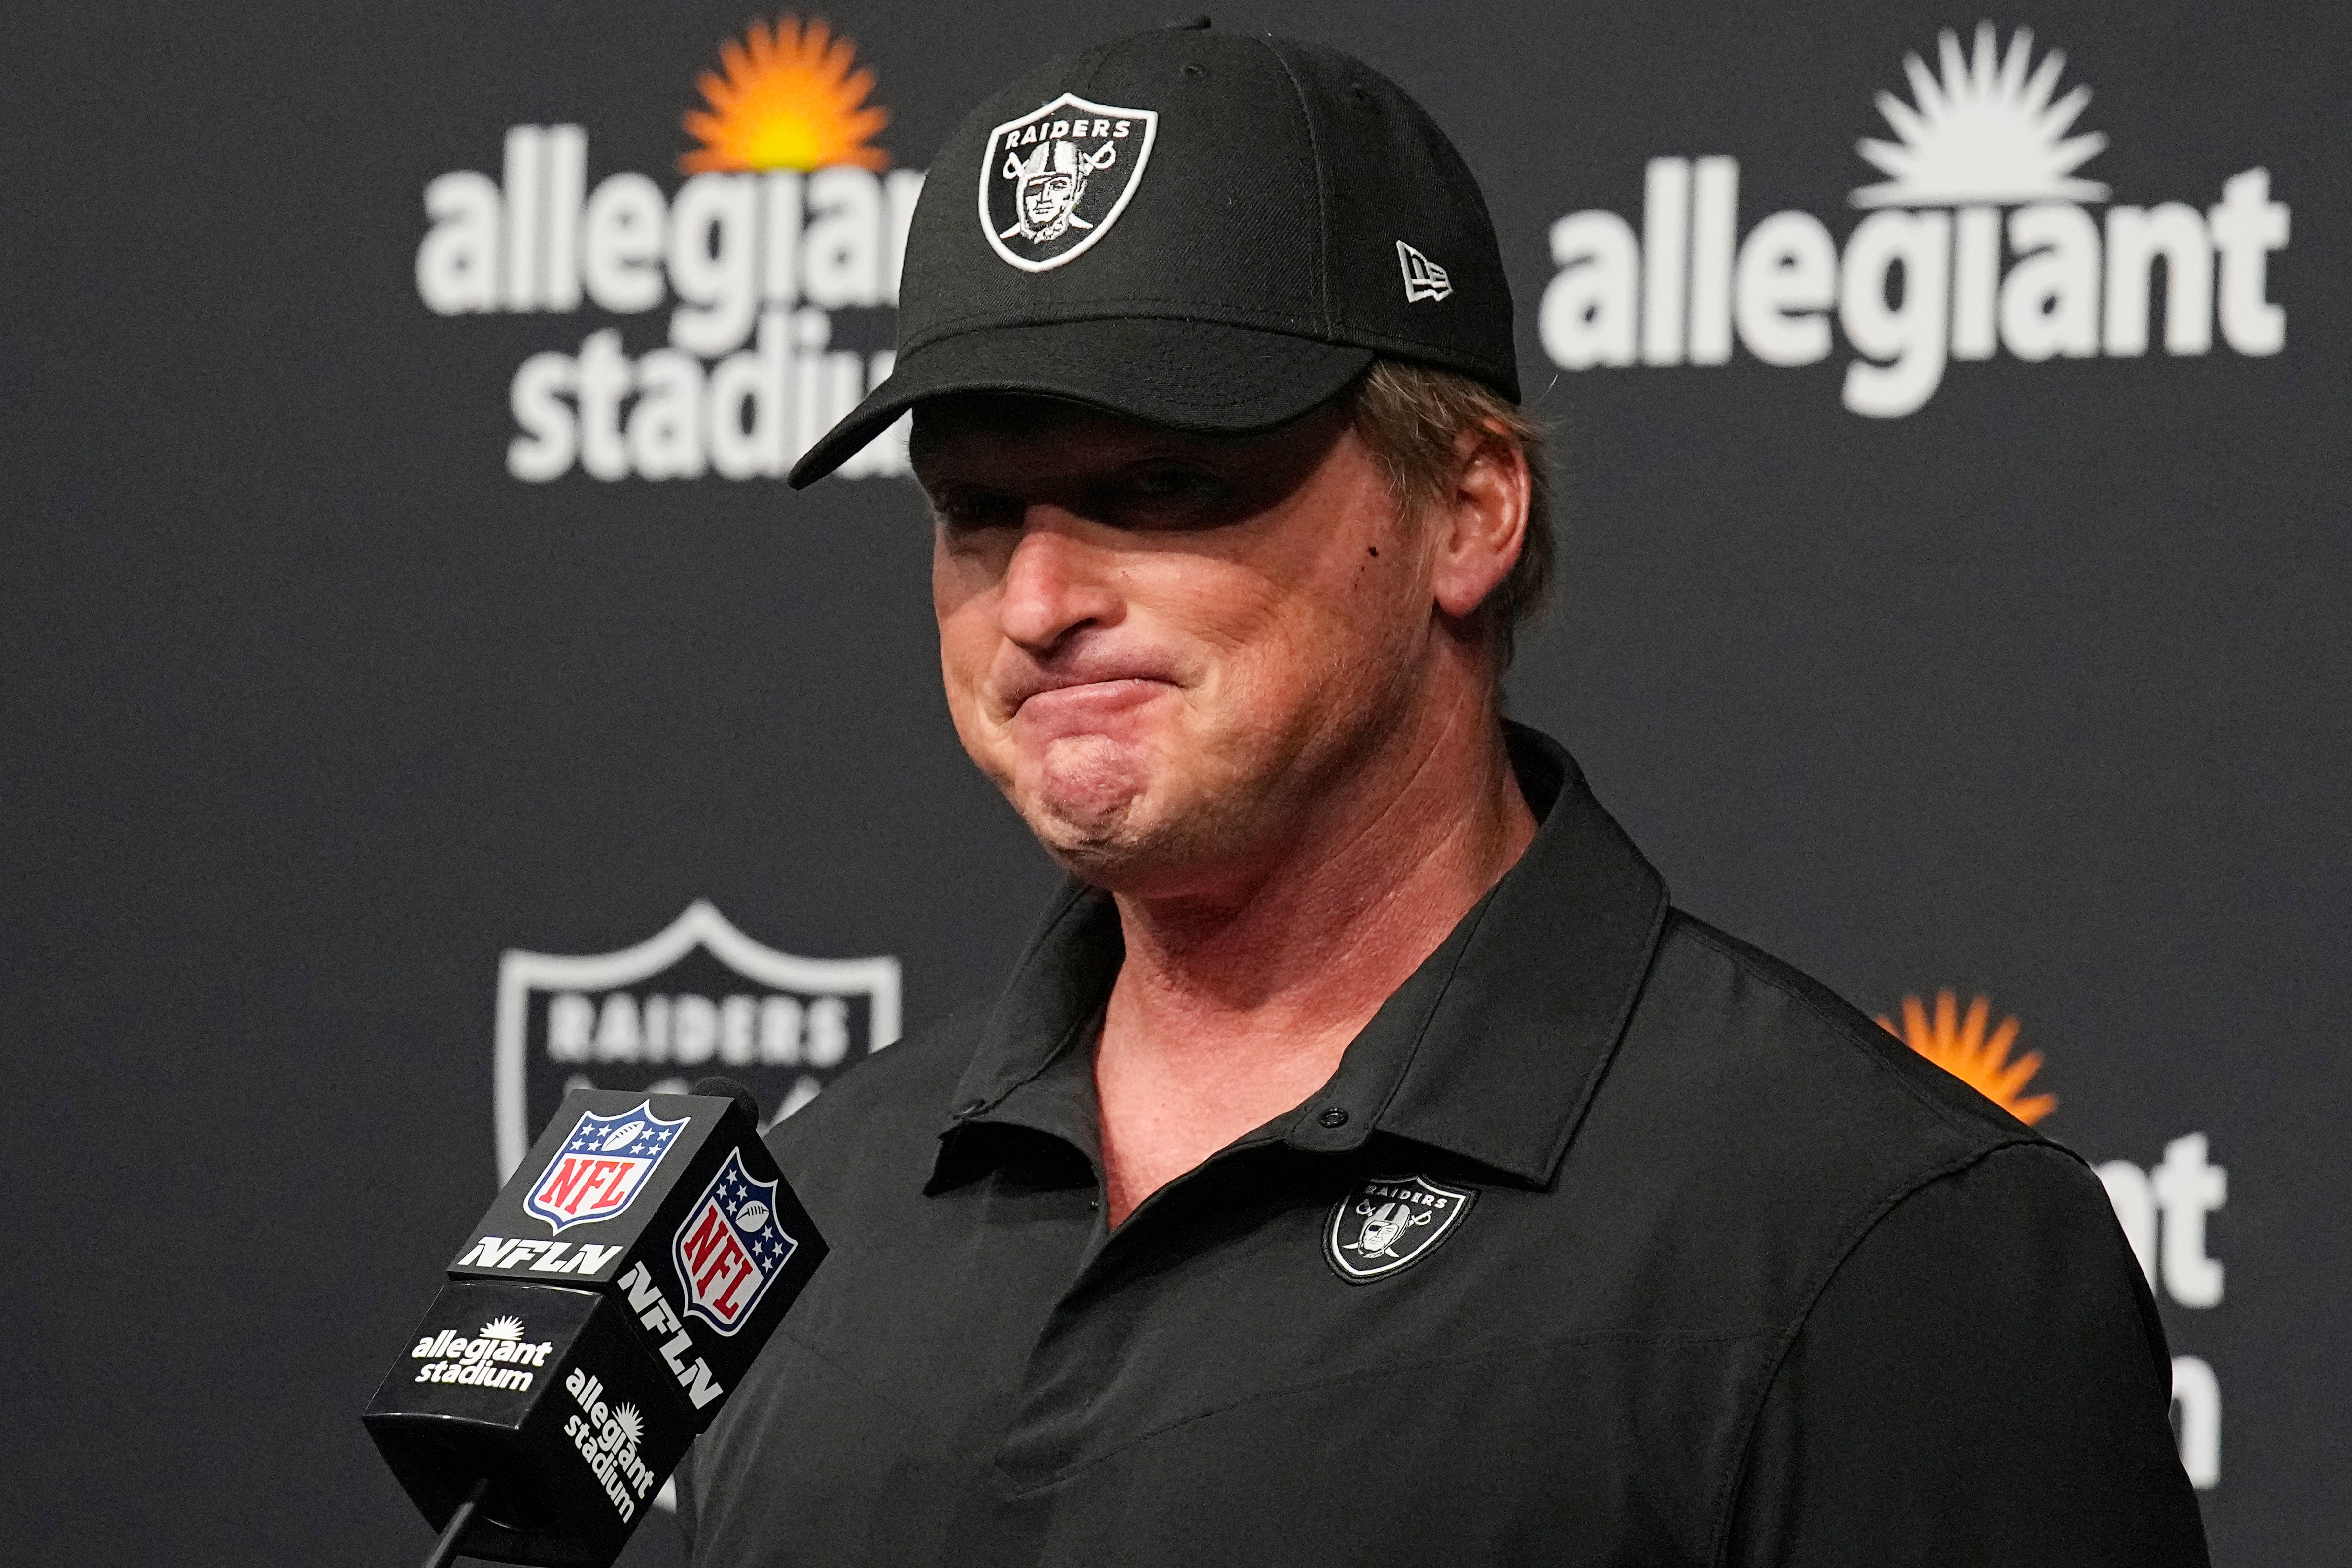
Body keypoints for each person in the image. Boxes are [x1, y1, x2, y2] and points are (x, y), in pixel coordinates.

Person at [679, 20, 2210, 1567]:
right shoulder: (804, 1214)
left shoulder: (1873, 1240)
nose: (1039, 598)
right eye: (979, 512)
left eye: (1160, 489)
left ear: (1467, 509)